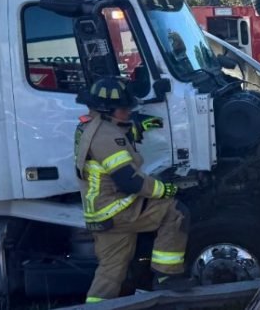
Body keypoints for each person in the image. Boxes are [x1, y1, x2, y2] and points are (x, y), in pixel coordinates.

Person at [74, 76, 192, 303]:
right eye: (124, 108)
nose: (129, 111)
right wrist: (164, 190)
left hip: (99, 211)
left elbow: (110, 145)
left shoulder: (89, 127)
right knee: (175, 211)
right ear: (107, 109)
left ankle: (95, 307)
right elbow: (130, 182)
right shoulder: (106, 136)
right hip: (118, 208)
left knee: (110, 271)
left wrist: (133, 127)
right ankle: (167, 275)